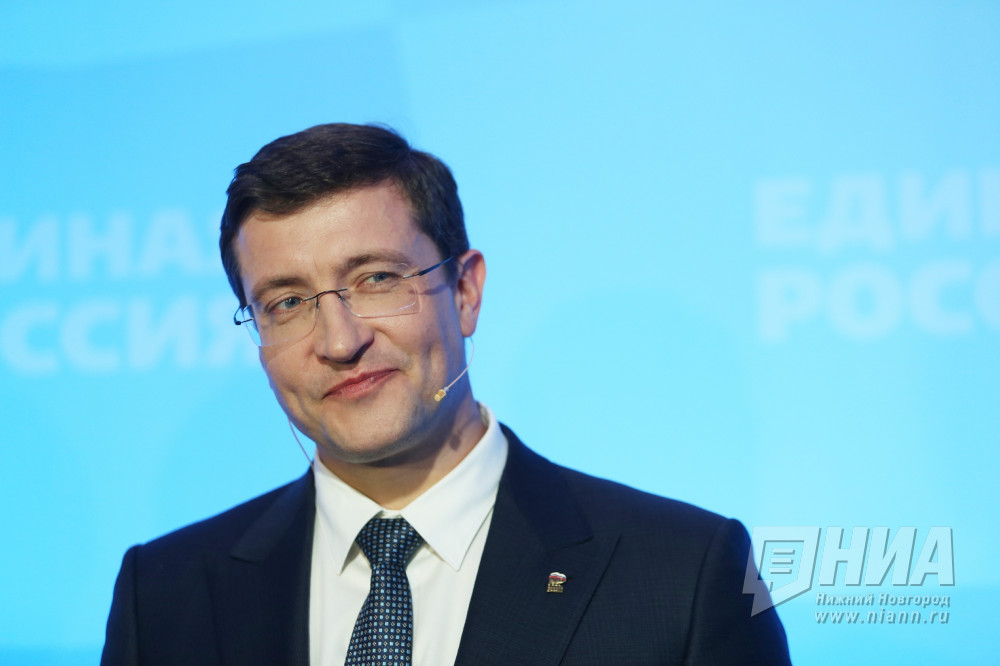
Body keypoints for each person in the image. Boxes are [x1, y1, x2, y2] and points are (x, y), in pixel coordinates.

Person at [101, 123, 791, 665]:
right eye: (287, 302)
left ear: (465, 291)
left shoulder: (684, 575)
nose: (339, 341)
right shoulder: (163, 595)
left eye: (376, 279)